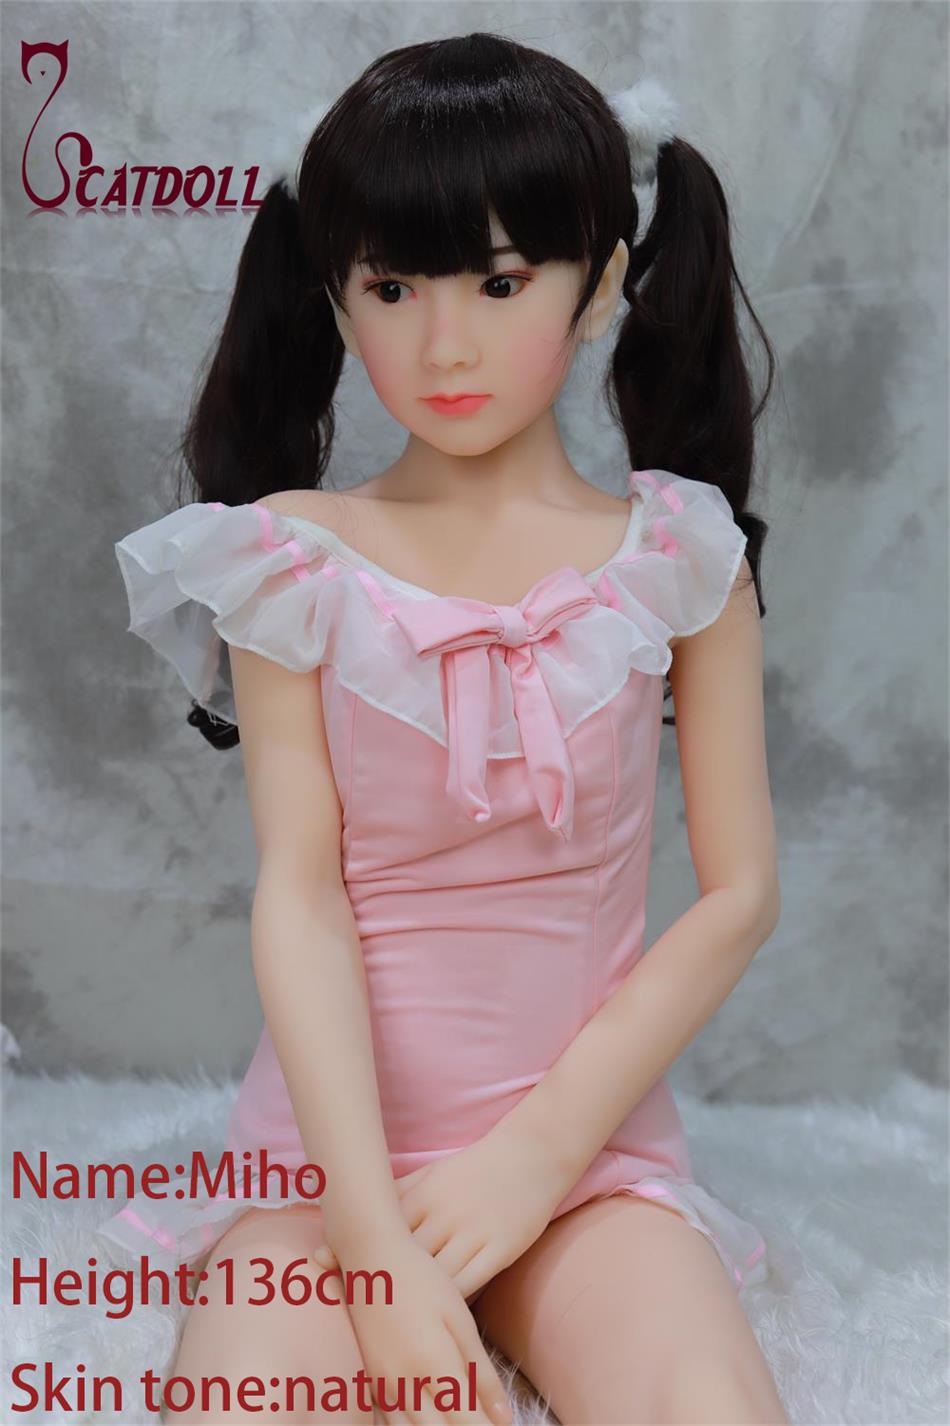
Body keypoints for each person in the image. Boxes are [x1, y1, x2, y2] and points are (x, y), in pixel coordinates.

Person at [99, 31, 788, 1426]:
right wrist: (367, 1239)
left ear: (601, 284)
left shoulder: (679, 557)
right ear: (336, 295)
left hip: (583, 1167)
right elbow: (301, 893)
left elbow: (739, 896)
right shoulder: (289, 559)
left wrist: (535, 1158)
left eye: (501, 280)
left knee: (707, 1407)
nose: (444, 344)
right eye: (393, 287)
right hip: (326, 1173)